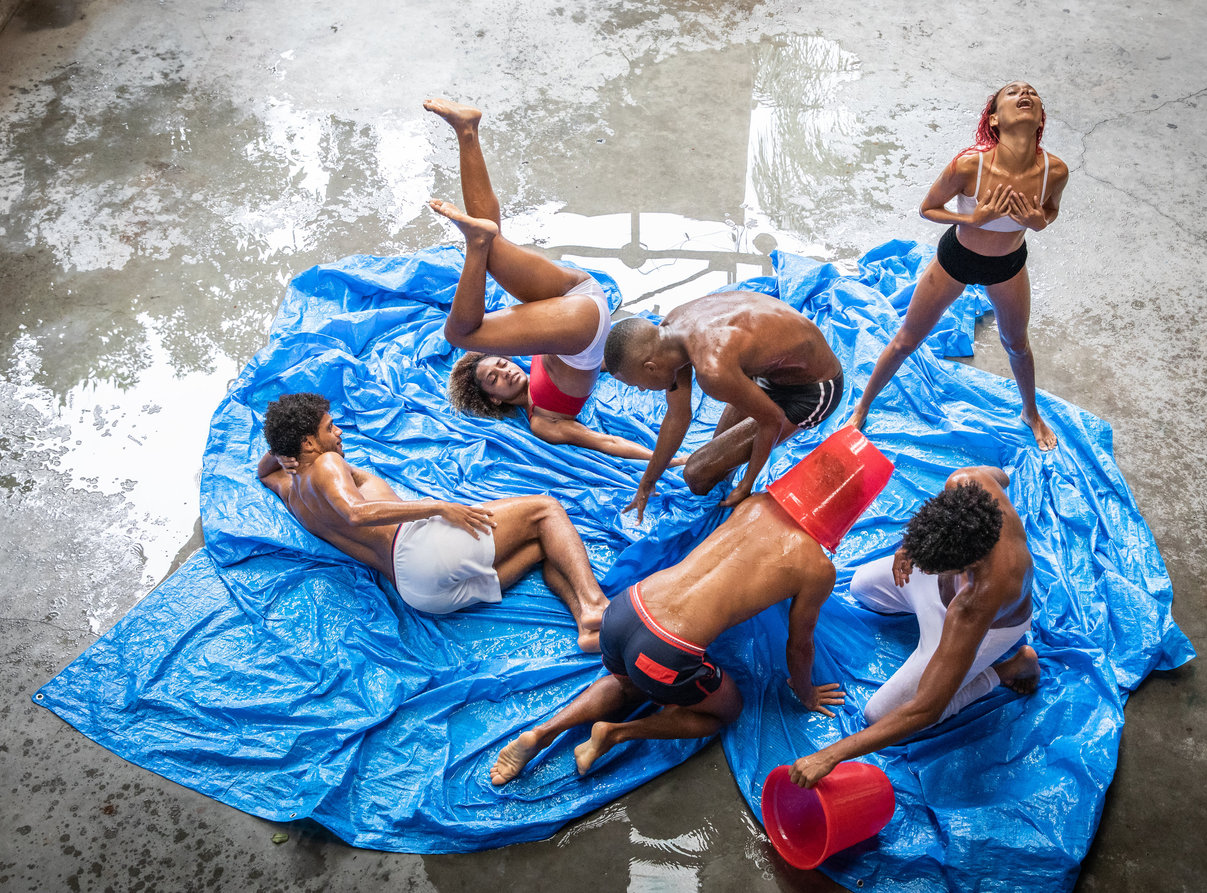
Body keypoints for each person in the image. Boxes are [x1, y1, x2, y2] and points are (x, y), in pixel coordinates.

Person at [489, 489, 846, 785]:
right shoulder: (818, 568)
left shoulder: (758, 502)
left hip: (627, 609)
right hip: (666, 650)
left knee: (629, 683)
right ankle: (614, 734)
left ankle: (541, 733)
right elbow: (800, 645)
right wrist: (806, 693)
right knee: (728, 709)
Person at [425, 99, 677, 465]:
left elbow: (606, 361)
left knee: (494, 246)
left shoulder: (533, 347)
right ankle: (474, 244)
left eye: (498, 363)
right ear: (494, 399)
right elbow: (604, 442)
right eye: (494, 379)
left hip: (578, 293)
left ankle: (467, 130)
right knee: (459, 334)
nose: (504, 369)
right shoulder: (544, 421)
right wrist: (668, 460)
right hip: (584, 324)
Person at [257, 392, 608, 652]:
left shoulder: (292, 493)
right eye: (329, 427)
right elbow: (355, 512)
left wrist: (284, 447)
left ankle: (585, 625)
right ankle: (595, 603)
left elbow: (265, 472)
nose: (339, 433)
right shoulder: (327, 464)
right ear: (308, 443)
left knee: (544, 546)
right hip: (421, 548)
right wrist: (435, 507)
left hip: (417, 593)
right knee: (547, 510)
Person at [847, 82, 1069, 451]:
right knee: (906, 340)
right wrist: (974, 218)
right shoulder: (970, 165)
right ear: (995, 119)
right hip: (956, 259)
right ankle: (862, 406)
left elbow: (1051, 212)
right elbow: (927, 208)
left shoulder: (1055, 171)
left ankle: (1030, 413)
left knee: (1016, 345)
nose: (1024, 93)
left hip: (1008, 266)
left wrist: (1037, 222)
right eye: (1012, 93)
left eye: (1030, 91)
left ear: (1040, 117)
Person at [787, 466, 1041, 787]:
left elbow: (926, 709)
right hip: (942, 586)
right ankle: (922, 579)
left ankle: (1012, 668)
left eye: (933, 564)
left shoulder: (979, 601)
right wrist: (908, 547)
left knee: (878, 715)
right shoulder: (965, 483)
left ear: (967, 565)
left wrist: (831, 754)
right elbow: (1001, 476)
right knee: (861, 587)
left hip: (985, 628)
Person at [603, 292, 844, 519]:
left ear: (650, 368)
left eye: (638, 385)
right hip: (773, 370)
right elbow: (677, 416)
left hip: (814, 388)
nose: (642, 390)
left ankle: (731, 492)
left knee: (697, 474)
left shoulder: (712, 370)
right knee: (714, 465)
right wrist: (647, 482)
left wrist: (746, 484)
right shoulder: (671, 330)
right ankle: (723, 479)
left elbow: (772, 420)